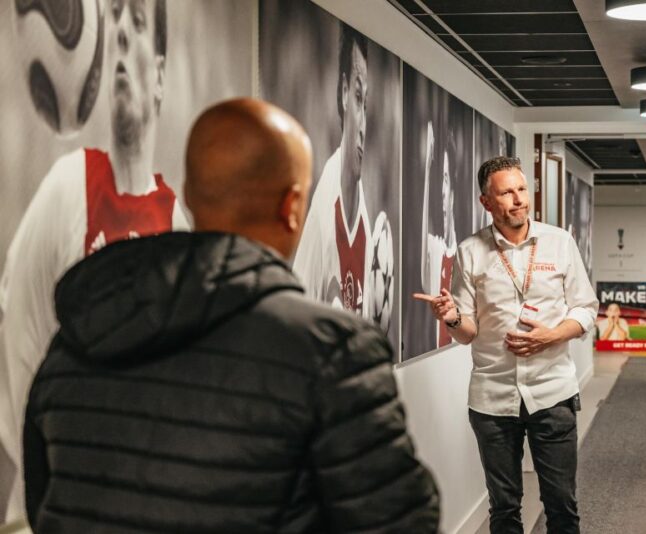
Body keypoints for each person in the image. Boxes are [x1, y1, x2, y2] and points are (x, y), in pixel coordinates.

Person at [23, 98, 439, 532]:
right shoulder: (334, 350)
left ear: (190, 195)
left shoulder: (78, 336)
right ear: (292, 206)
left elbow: (43, 503)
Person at [0, 0, 187, 522]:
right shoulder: (67, 188)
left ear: (161, 78)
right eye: (117, 19)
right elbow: (13, 365)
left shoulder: (179, 228)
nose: (121, 33)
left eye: (140, 23)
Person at [414, 156, 598, 534]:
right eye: (506, 193)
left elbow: (586, 309)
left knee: (562, 505)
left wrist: (551, 335)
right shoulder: (469, 252)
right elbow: (467, 332)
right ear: (486, 202)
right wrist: (450, 316)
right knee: (503, 508)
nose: (518, 200)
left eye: (521, 189)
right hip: (493, 399)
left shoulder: (560, 243)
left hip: (553, 393)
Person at [293, 23, 391, 332]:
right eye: (358, 98)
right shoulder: (323, 216)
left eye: (367, 103)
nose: (363, 123)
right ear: (344, 92)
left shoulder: (361, 204)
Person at [420, 121, 458, 348]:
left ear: (453, 189)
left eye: (446, 180)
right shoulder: (436, 249)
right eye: (440, 181)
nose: (442, 192)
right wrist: (427, 165)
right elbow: (424, 232)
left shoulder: (466, 253)